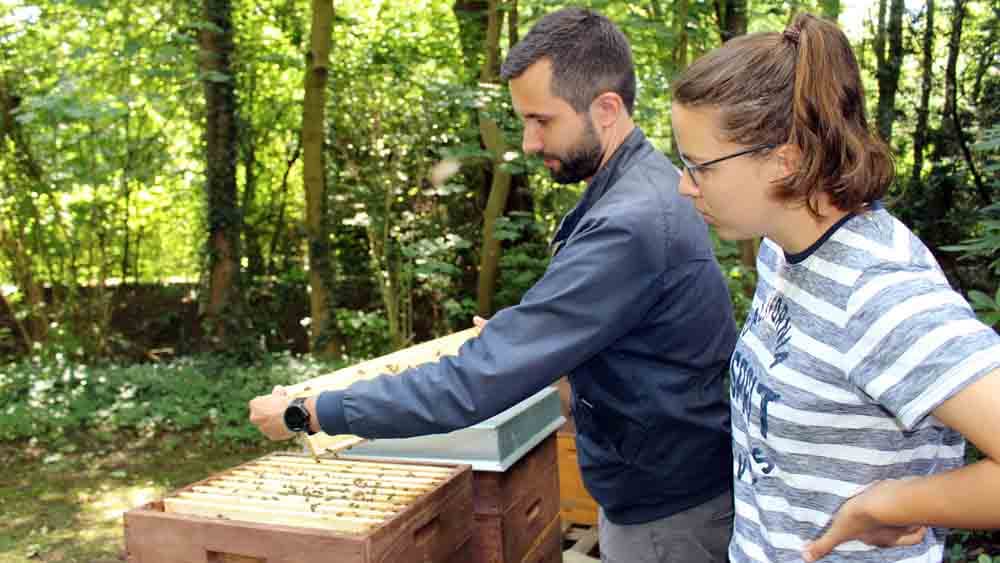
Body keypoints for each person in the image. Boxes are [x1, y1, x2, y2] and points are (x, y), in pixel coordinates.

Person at [251, 7, 737, 562]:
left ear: (605, 109)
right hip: (666, 491)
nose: (529, 142)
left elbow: (472, 386)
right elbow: (638, 345)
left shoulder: (629, 222)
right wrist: (525, 340)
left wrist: (310, 411)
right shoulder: (638, 187)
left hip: (666, 515)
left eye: (542, 120)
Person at [669, 12, 1000, 563]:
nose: (684, 186)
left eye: (698, 166)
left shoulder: (878, 293)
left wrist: (891, 504)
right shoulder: (782, 248)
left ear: (785, 161)